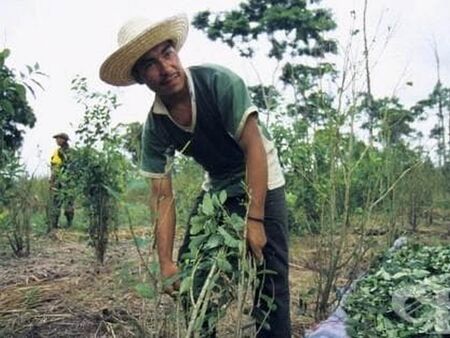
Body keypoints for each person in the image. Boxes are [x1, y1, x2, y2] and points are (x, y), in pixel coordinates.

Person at [100, 14, 291, 337]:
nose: (165, 68)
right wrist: (166, 263)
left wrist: (255, 220)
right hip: (217, 186)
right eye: (149, 64)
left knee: (270, 279)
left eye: (167, 53)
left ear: (177, 53)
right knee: (193, 279)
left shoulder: (218, 83)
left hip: (261, 175)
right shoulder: (156, 127)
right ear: (140, 77)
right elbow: (162, 197)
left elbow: (254, 148)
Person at [48, 132, 74, 231]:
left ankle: (68, 224)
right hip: (61, 180)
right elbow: (54, 167)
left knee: (68, 203)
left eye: (58, 138)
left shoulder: (69, 153)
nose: (56, 140)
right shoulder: (57, 152)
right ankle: (55, 224)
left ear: (63, 140)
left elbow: (56, 168)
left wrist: (53, 180)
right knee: (56, 202)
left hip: (66, 181)